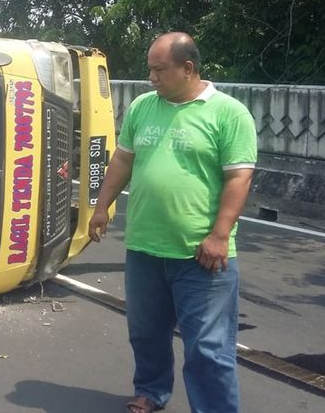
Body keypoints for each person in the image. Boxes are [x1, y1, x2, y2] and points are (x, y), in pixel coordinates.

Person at [87, 32, 257, 413]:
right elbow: (122, 161)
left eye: (160, 70)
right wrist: (101, 208)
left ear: (188, 68)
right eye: (150, 69)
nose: (152, 77)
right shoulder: (143, 107)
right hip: (145, 247)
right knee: (146, 334)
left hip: (201, 254)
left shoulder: (228, 113)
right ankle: (150, 390)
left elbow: (238, 178)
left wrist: (218, 235)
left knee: (209, 348)